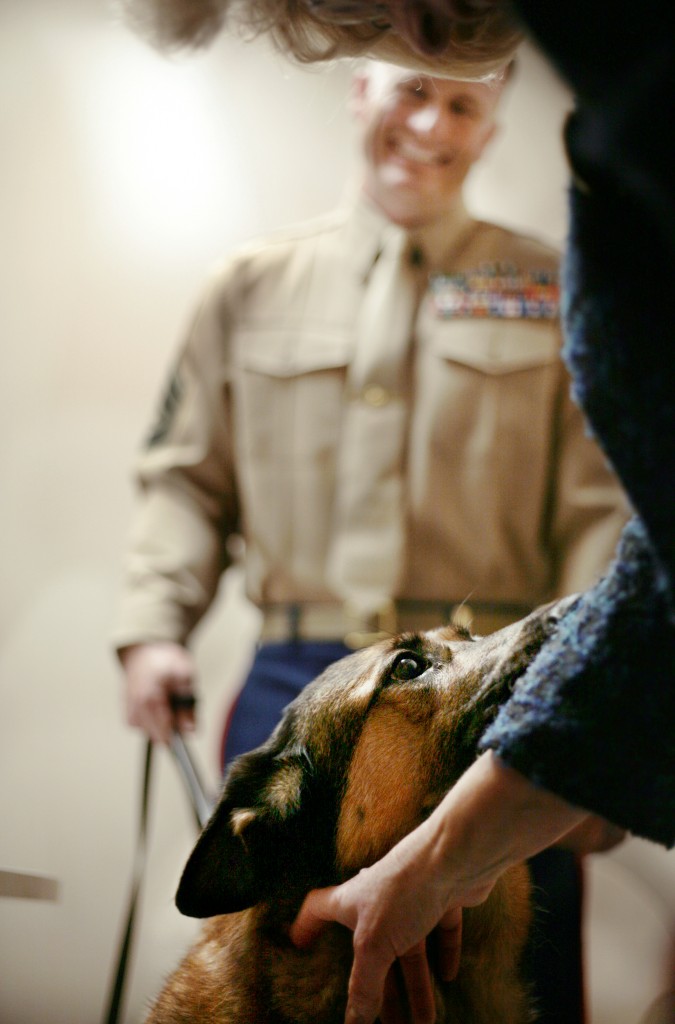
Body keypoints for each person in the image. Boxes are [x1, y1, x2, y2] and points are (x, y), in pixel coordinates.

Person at [113, 3, 675, 1024]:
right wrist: (153, 626)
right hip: (296, 690)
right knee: (281, 990)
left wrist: (592, 693)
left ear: (491, 126)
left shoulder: (553, 286)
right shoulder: (248, 288)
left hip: (489, 687)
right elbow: (184, 478)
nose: (433, 124)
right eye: (414, 91)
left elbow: (610, 509)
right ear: (362, 89)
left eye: (462, 105)